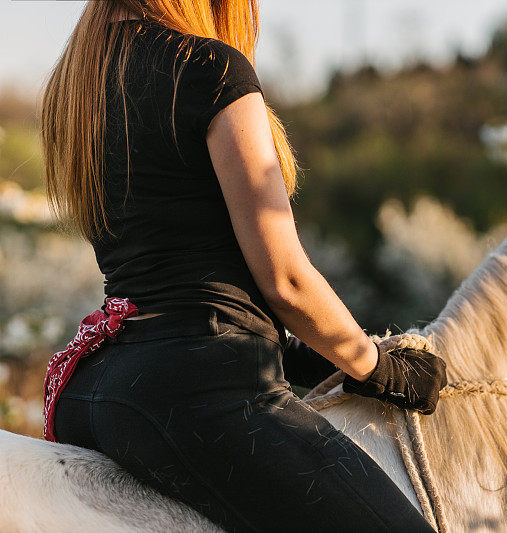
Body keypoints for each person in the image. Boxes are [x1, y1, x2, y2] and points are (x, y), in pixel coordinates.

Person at [40, 1, 448, 531]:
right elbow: (286, 280)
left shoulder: (73, 88)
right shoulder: (208, 68)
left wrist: (306, 358)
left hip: (99, 385)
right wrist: (378, 367)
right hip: (199, 390)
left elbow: (175, 269)